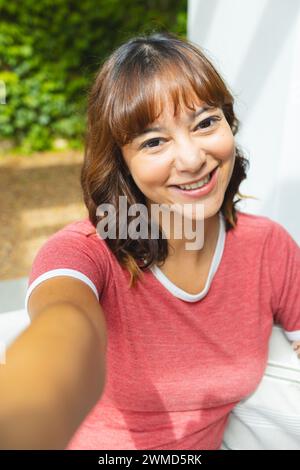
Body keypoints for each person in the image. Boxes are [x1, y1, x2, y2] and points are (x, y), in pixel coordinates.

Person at [0, 31, 299, 450]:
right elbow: (65, 332)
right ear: (121, 161)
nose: (193, 159)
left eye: (206, 123)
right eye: (154, 141)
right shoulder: (85, 251)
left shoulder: (268, 246)